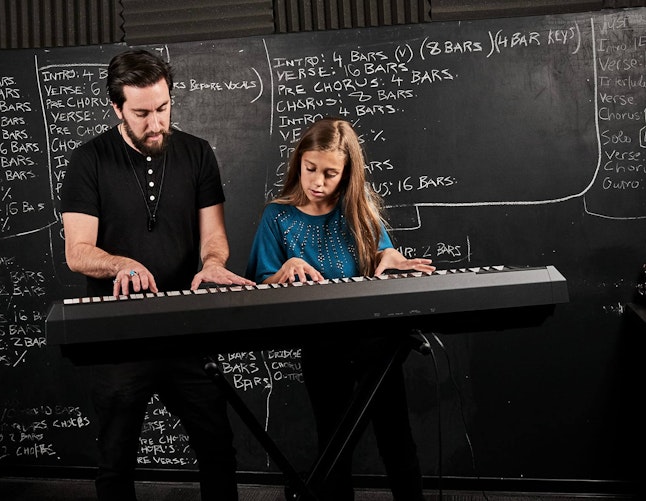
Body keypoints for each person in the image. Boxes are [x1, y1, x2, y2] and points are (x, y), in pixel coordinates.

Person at [59, 48, 254, 501]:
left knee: (218, 449)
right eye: (142, 113)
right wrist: (120, 263)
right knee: (116, 461)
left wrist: (212, 265)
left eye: (163, 108)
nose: (156, 123)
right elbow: (78, 252)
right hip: (119, 335)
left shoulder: (198, 154)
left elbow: (214, 237)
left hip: (187, 329)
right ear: (116, 108)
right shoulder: (88, 161)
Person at [245, 117, 435, 501]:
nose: (317, 181)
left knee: (396, 440)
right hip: (322, 347)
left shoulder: (359, 211)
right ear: (298, 161)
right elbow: (259, 285)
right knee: (334, 445)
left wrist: (392, 256)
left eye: (330, 174)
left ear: (347, 174)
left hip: (376, 344)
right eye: (310, 169)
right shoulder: (277, 217)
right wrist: (284, 270)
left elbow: (384, 254)